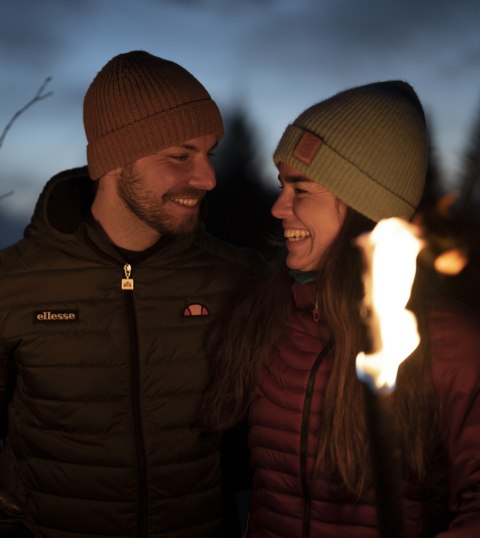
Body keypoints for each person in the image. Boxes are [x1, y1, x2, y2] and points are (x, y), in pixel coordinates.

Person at [203, 81, 480, 536]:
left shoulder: (450, 345)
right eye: (281, 186)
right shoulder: (267, 317)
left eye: (301, 189)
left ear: (362, 206)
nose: (278, 208)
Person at [0, 50, 258, 538]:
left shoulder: (237, 279)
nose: (208, 179)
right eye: (180, 156)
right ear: (116, 160)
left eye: (210, 154)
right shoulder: (14, 284)